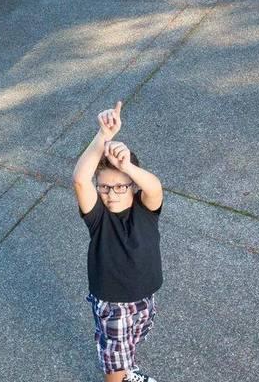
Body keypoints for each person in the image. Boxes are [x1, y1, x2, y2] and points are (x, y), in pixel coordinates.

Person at [72, 102, 163, 382]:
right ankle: (120, 376)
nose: (111, 194)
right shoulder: (98, 217)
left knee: (129, 346)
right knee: (114, 360)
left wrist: (126, 165)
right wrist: (103, 137)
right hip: (114, 303)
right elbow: (79, 179)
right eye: (104, 187)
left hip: (144, 296)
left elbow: (155, 186)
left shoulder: (146, 209)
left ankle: (128, 371)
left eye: (120, 186)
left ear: (132, 186)